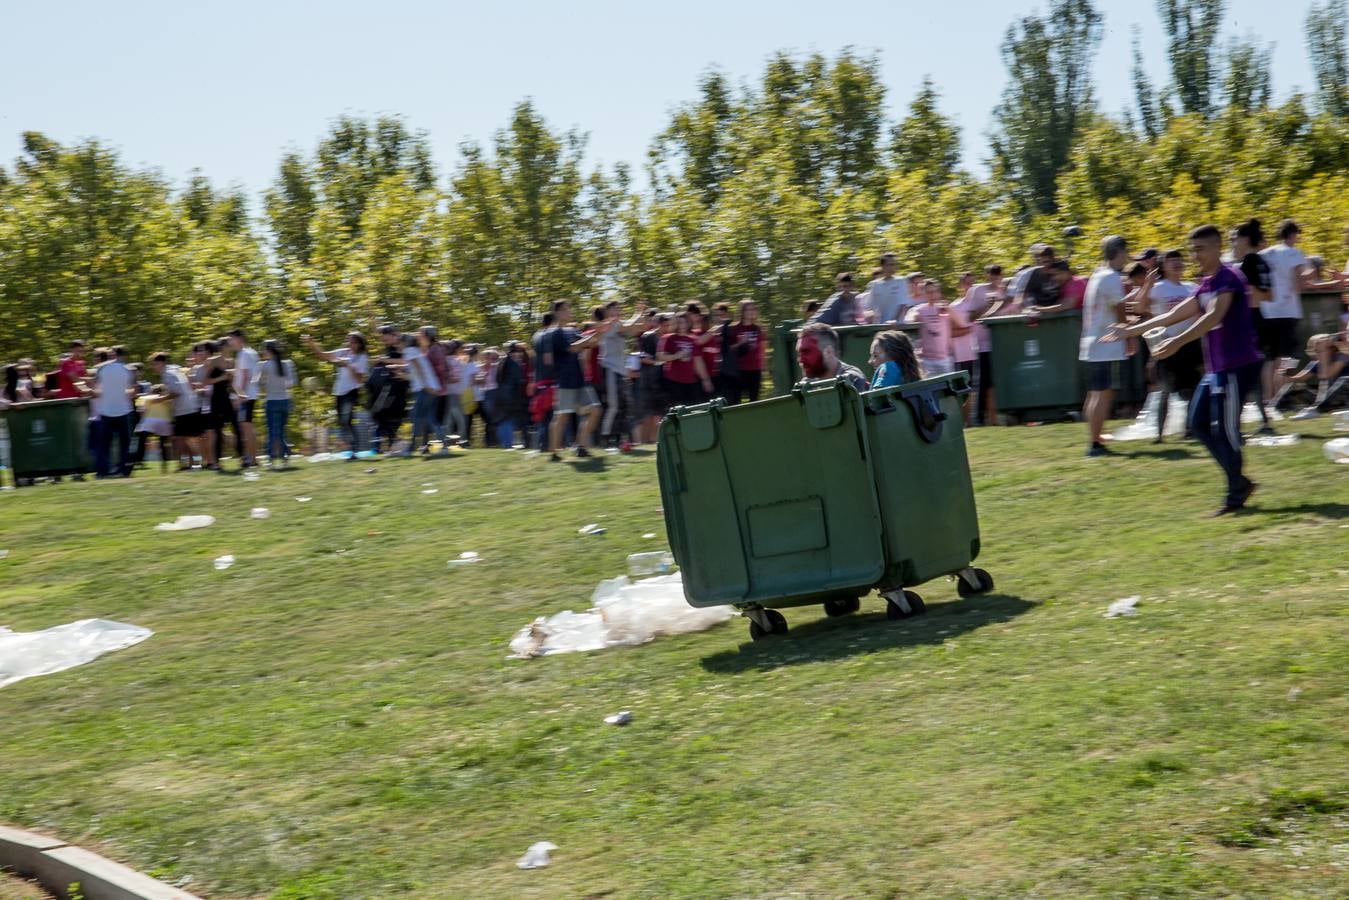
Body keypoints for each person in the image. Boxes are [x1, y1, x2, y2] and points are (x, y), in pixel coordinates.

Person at [1108, 225, 1263, 515]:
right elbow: (1173, 314)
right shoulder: (1206, 282)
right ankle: (1239, 482)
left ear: (1217, 248)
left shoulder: (1228, 279)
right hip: (1217, 367)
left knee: (1227, 430)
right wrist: (1133, 330)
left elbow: (1214, 315)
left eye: (1200, 249)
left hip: (1237, 365)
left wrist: (1176, 342)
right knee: (1198, 423)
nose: (1194, 255)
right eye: (1192, 249)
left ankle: (1235, 495)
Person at [1133, 250, 1200, 442]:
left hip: (1189, 343)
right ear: (1164, 266)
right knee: (1164, 390)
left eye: (1180, 260)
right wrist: (1148, 283)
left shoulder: (1191, 287)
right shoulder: (1159, 287)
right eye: (1172, 261)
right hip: (1165, 344)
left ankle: (1189, 430)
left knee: (1192, 389)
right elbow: (1138, 307)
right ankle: (1159, 435)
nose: (1177, 264)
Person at [1080, 235, 1132, 458]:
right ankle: (1094, 444)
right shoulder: (1111, 277)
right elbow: (1120, 308)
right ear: (1119, 252)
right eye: (1126, 252)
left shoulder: (1097, 275)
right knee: (1101, 394)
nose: (1128, 256)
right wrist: (1128, 336)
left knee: (1100, 393)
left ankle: (1097, 436)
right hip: (1104, 343)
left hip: (1094, 342)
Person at [1259, 220, 1314, 417]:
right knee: (1288, 357)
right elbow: (1299, 280)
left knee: (1270, 358)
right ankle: (1280, 398)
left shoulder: (1263, 254)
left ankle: (1267, 398)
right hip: (1288, 310)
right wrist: (1308, 277)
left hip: (1266, 310)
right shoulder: (1293, 252)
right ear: (1292, 235)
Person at [546, 299, 612, 461]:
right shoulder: (554, 333)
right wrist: (594, 333)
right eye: (566, 309)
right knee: (562, 416)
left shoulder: (571, 330)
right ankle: (554, 453)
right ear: (557, 313)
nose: (570, 312)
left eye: (569, 308)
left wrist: (600, 331)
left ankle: (580, 446)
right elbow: (573, 348)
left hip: (580, 380)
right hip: (565, 380)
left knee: (596, 410)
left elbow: (591, 343)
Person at [1229, 219, 1276, 434]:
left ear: (1245, 239)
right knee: (1250, 374)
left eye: (1234, 238)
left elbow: (1255, 294)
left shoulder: (1246, 264)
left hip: (1246, 322)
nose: (1232, 243)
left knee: (1240, 373)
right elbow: (1269, 295)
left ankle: (1236, 425)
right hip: (1259, 320)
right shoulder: (1262, 262)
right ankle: (1263, 421)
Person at [303, 332, 368, 457]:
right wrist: (311, 344)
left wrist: (348, 365)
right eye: (349, 341)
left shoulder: (362, 357)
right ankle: (351, 448)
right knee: (343, 422)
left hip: (351, 391)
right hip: (339, 392)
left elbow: (359, 379)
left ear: (360, 344)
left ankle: (354, 448)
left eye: (354, 342)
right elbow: (322, 355)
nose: (350, 344)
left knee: (346, 419)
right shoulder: (343, 352)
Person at [597, 300, 647, 447]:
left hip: (620, 371)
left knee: (624, 405)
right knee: (613, 405)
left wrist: (642, 314)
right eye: (615, 309)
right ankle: (606, 438)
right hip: (610, 369)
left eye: (619, 309)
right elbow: (629, 326)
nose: (618, 311)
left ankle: (620, 438)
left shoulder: (619, 324)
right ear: (608, 312)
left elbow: (637, 328)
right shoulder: (609, 324)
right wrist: (638, 313)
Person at [1282, 333, 1348, 419]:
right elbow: (1300, 378)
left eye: (1319, 350)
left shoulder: (1341, 357)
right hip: (1327, 398)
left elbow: (1327, 376)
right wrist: (1285, 374)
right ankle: (1277, 407)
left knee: (1344, 379)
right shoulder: (1317, 363)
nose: (1316, 353)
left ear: (1330, 348)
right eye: (1316, 350)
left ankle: (1316, 409)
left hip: (1342, 395)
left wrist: (1324, 355)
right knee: (1294, 387)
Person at [93, 345, 135, 478]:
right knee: (125, 444)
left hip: (106, 411)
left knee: (104, 445)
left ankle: (102, 472)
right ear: (123, 356)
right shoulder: (128, 370)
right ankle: (124, 470)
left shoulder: (101, 369)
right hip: (124, 410)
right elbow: (132, 391)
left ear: (112, 355)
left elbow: (97, 390)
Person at [657, 310, 713, 408]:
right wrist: (676, 356)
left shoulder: (693, 339)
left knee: (693, 410)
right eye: (680, 322)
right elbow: (660, 356)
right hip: (673, 381)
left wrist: (706, 380)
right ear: (675, 323)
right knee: (676, 411)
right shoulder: (668, 338)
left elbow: (698, 361)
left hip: (691, 381)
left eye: (685, 322)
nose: (682, 325)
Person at [797, 322, 869, 391]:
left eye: (807, 352)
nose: (801, 360)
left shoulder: (851, 380)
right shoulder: (807, 385)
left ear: (829, 352)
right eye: (799, 354)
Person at [946, 277, 980, 424]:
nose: (970, 286)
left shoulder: (979, 305)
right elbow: (950, 332)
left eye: (973, 282)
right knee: (961, 389)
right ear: (960, 285)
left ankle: (970, 421)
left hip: (975, 353)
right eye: (966, 283)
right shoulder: (954, 307)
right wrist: (967, 330)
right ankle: (963, 421)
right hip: (960, 355)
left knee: (972, 389)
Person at [227, 329, 261, 468]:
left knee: (247, 428)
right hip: (249, 394)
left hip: (245, 396)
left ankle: (253, 460)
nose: (230, 343)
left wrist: (239, 396)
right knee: (246, 427)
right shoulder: (250, 352)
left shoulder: (244, 354)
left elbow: (245, 376)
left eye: (231, 340)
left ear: (239, 339)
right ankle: (251, 458)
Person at [636, 313, 672, 443]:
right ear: (659, 324)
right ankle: (644, 442)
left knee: (659, 414)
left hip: (662, 381)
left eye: (668, 325)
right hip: (648, 380)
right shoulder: (648, 337)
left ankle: (654, 441)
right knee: (648, 414)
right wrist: (658, 362)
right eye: (665, 325)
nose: (667, 328)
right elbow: (643, 358)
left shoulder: (668, 338)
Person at [906, 279, 954, 375]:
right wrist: (915, 317)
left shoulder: (945, 308)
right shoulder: (920, 309)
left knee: (949, 388)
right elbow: (908, 319)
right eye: (929, 292)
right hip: (926, 359)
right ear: (924, 294)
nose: (933, 295)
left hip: (945, 358)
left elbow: (963, 323)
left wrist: (949, 310)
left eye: (935, 292)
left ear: (939, 293)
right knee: (930, 388)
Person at [260, 340, 296, 466]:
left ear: (269, 351)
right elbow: (292, 383)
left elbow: (261, 383)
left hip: (272, 401)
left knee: (272, 431)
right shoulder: (288, 364)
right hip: (285, 401)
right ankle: (285, 457)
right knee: (281, 431)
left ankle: (270, 458)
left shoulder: (264, 365)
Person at [495, 341, 531, 448]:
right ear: (514, 352)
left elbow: (497, 379)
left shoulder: (501, 363)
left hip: (501, 394)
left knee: (504, 419)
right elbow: (519, 381)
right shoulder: (515, 365)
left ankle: (505, 443)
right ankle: (521, 442)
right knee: (518, 419)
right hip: (513, 396)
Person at [729, 300, 765, 404]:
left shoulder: (758, 328)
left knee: (754, 401)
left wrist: (763, 367)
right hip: (739, 370)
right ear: (742, 312)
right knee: (736, 401)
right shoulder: (734, 328)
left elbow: (761, 350)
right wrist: (740, 344)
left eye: (753, 309)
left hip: (755, 370)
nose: (751, 312)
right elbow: (728, 349)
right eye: (748, 309)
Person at [862, 253, 912, 324]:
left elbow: (903, 304)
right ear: (882, 266)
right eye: (889, 265)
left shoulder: (901, 281)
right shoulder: (875, 284)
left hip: (897, 326)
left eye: (894, 264)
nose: (892, 267)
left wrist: (895, 320)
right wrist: (869, 316)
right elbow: (869, 306)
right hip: (880, 326)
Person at [1014, 244, 1060, 309]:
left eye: (1048, 261)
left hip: (1055, 309)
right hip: (1036, 308)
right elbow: (1022, 297)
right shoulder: (1032, 274)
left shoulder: (1059, 272)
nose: (1045, 265)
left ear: (1053, 260)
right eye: (1041, 262)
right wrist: (1030, 308)